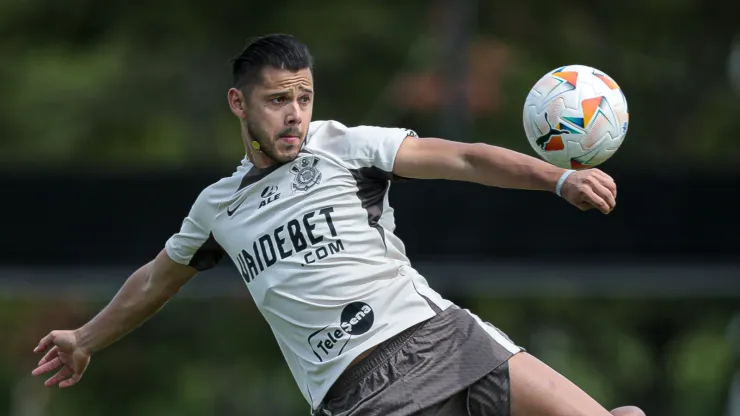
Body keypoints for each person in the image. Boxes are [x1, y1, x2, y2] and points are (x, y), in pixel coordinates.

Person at [32, 34, 644, 416]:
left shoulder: (344, 147)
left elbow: (460, 156)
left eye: (304, 98)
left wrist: (556, 178)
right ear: (238, 104)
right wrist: (86, 338)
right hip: (362, 397)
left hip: (443, 339)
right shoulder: (217, 209)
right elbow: (153, 282)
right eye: (278, 101)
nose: (295, 115)